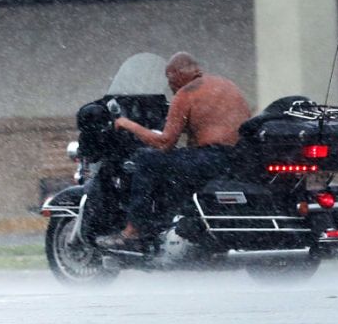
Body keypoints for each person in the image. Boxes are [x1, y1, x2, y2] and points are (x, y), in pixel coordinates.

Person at [92, 52, 251, 248]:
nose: (169, 86)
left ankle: (133, 230)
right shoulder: (227, 85)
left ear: (178, 73)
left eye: (169, 78)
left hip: (212, 158)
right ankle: (174, 220)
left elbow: (165, 143)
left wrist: (127, 124)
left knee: (146, 159)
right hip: (239, 158)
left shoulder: (187, 93)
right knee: (176, 162)